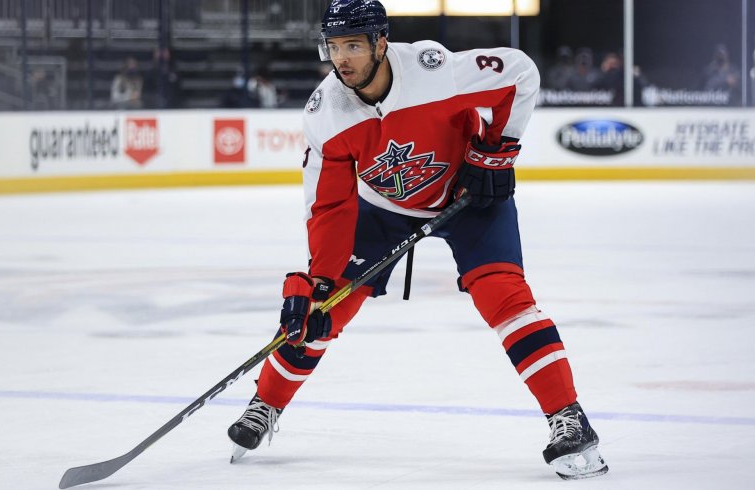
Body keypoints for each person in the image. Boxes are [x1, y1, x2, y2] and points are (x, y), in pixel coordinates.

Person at [226, 0, 608, 480]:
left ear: (380, 43)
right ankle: (265, 404)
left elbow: (520, 73)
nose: (340, 58)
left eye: (352, 46)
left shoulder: (433, 71)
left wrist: (495, 152)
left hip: (467, 196)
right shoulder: (327, 112)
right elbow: (329, 205)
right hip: (380, 211)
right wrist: (321, 280)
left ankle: (568, 418)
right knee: (322, 312)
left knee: (506, 299)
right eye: (333, 46)